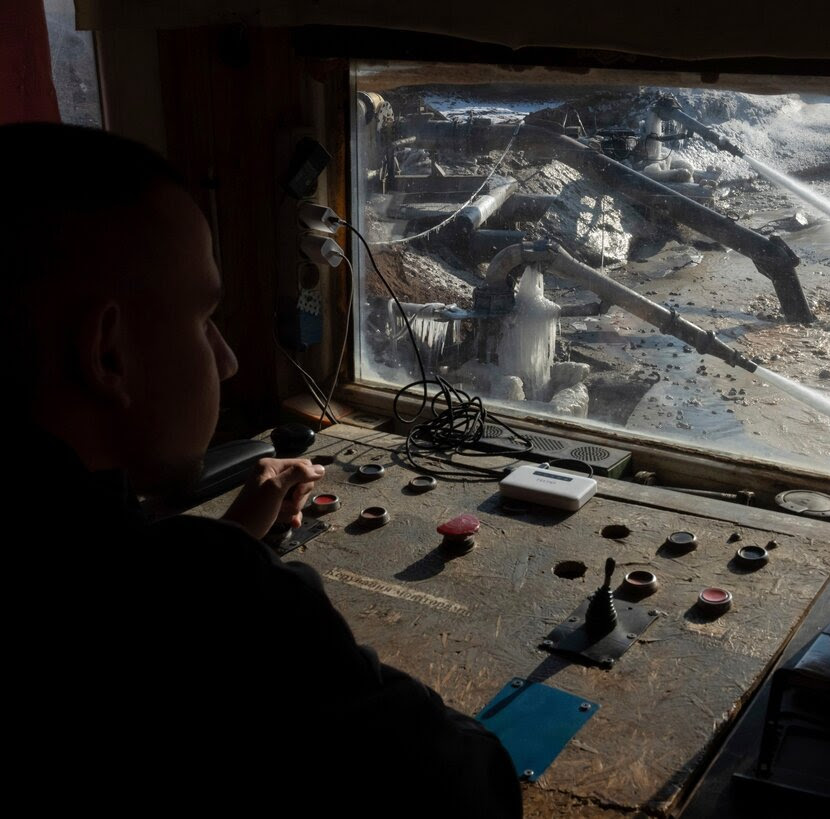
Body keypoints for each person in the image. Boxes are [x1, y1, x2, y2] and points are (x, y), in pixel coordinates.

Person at [1, 122, 521, 814]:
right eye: (202, 318)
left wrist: (231, 539)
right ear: (108, 357)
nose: (227, 359)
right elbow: (472, 788)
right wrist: (229, 574)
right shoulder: (209, 599)